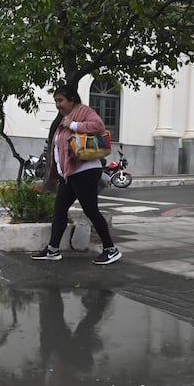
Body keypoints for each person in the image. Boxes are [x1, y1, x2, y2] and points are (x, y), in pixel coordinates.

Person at [33, 85, 122, 265]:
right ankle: (52, 249)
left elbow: (98, 126)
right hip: (70, 173)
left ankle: (111, 249)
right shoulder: (64, 118)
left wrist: (74, 125)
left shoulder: (82, 111)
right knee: (59, 209)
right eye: (56, 101)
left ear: (72, 99)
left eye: (60, 100)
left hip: (86, 171)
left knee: (90, 210)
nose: (58, 104)